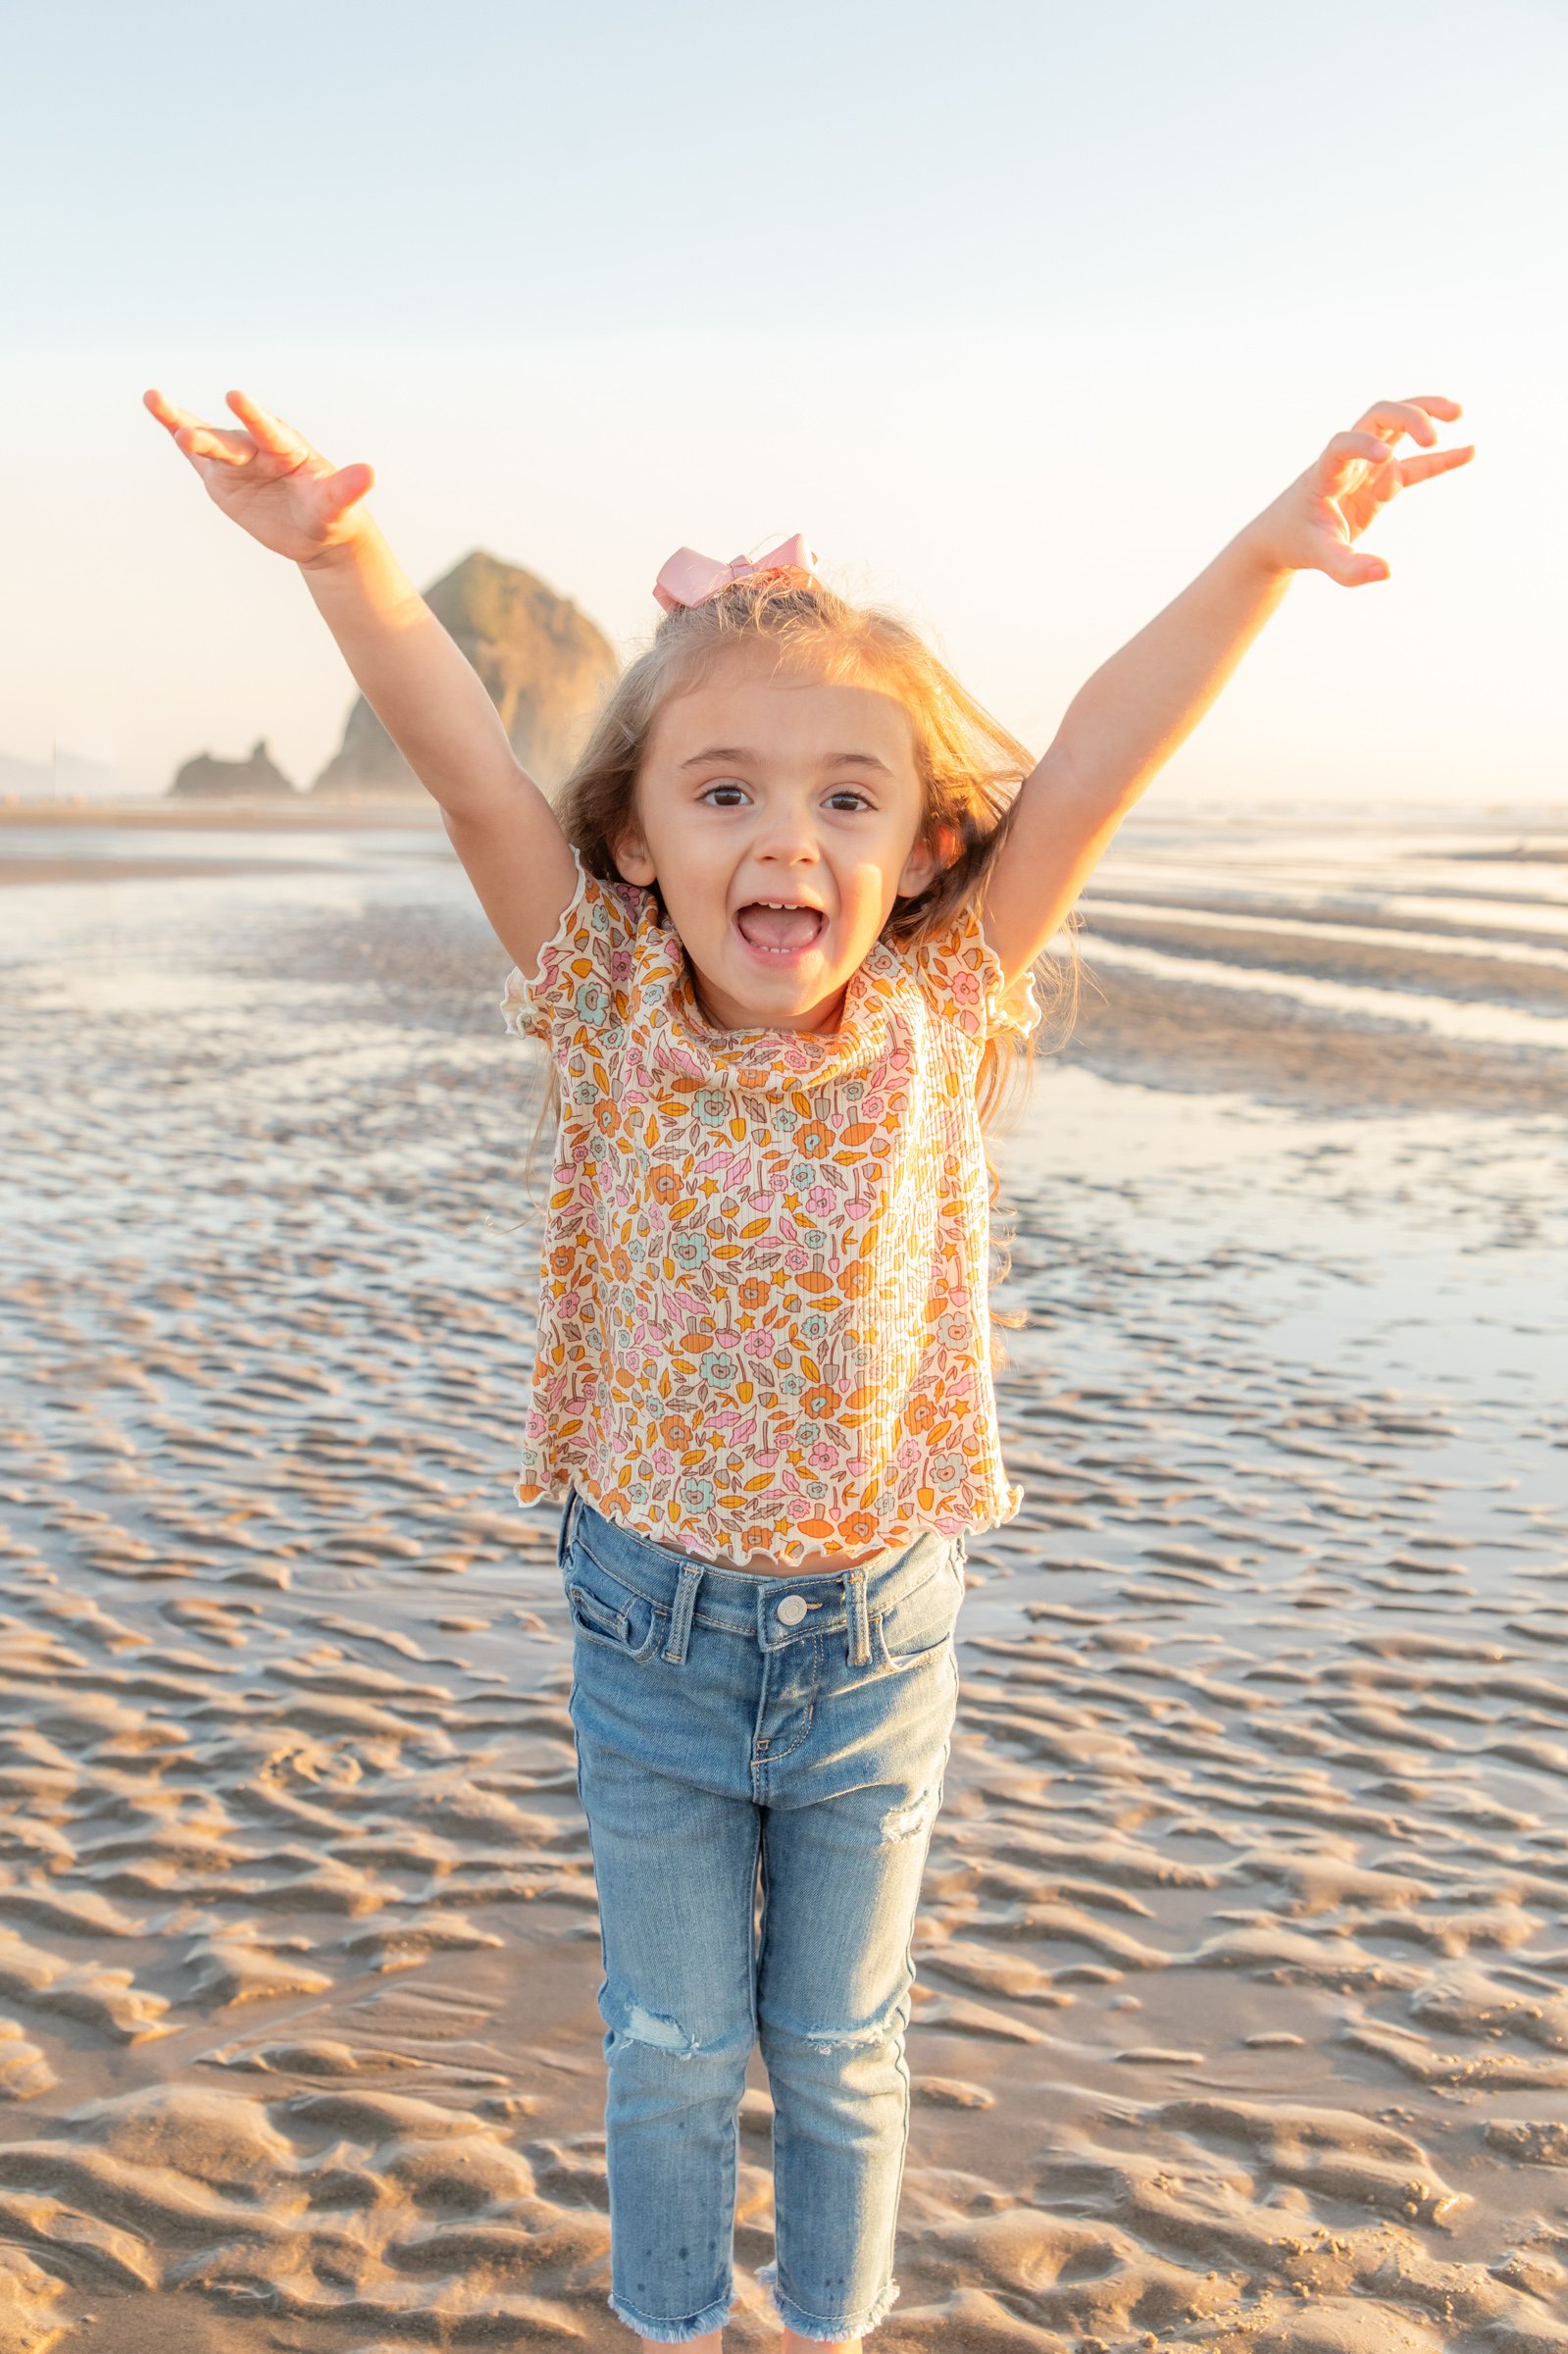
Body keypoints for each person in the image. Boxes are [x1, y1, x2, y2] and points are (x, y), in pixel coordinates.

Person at [144, 382, 1473, 2349]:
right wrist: (341, 554)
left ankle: (828, 2331)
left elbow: (1098, 748)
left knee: (840, 2046)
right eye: (727, 791)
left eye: (847, 796)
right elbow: (466, 782)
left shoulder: (941, 999)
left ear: (923, 843)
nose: (788, 837)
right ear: (636, 831)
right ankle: (677, 2329)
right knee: (673, 2044)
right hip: (650, 1643)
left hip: (876, 1643)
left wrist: (1261, 553)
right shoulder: (600, 1002)